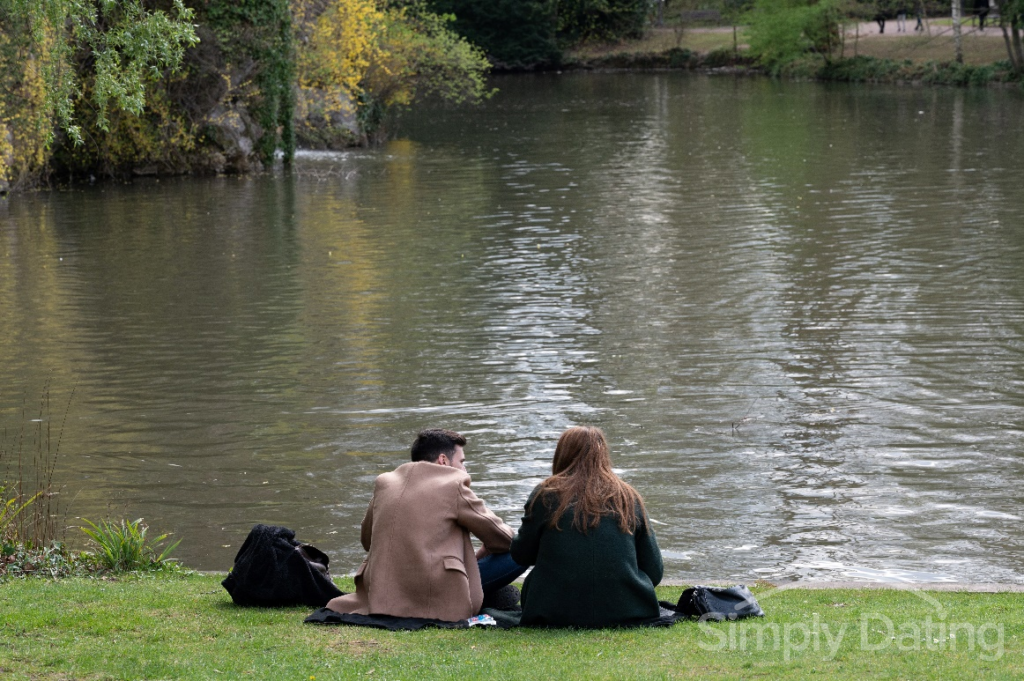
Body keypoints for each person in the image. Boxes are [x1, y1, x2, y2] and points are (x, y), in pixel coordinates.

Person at [326, 429, 524, 621]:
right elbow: (505, 539)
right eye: (462, 462)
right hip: (436, 592)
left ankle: (493, 595)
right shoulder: (453, 484)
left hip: (384, 592)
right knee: (523, 549)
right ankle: (488, 596)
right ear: (443, 460)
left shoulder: (385, 482)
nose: (464, 469)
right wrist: (486, 549)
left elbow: (367, 541)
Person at [509, 426, 663, 627]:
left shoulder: (546, 494)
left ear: (562, 455)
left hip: (552, 610)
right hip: (627, 610)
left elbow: (521, 555)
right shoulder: (628, 497)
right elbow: (654, 571)